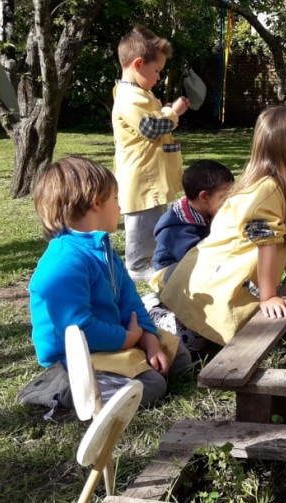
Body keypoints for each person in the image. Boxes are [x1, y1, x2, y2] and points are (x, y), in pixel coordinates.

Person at [20, 156, 191, 413]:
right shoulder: (64, 261)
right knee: (153, 386)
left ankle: (123, 373)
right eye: (115, 199)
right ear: (96, 203)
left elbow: (129, 301)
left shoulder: (102, 248)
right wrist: (126, 339)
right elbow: (78, 329)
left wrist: (148, 340)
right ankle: (61, 391)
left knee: (179, 358)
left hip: (113, 341)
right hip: (73, 359)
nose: (120, 206)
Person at [157, 107, 286, 346]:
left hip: (220, 281)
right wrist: (269, 296)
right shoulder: (266, 191)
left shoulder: (279, 188)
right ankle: (156, 315)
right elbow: (266, 242)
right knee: (188, 342)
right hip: (212, 288)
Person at [112, 25, 190, 281]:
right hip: (140, 178)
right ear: (138, 64)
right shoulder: (128, 98)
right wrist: (173, 112)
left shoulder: (140, 95)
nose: (158, 77)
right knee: (141, 224)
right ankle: (137, 266)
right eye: (156, 71)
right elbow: (152, 128)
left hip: (150, 177)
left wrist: (166, 110)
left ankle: (152, 259)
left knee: (153, 221)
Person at [151, 160, 235, 280]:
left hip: (200, 263)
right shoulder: (175, 228)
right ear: (204, 196)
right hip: (171, 273)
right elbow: (196, 260)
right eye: (224, 197)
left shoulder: (208, 211)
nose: (229, 201)